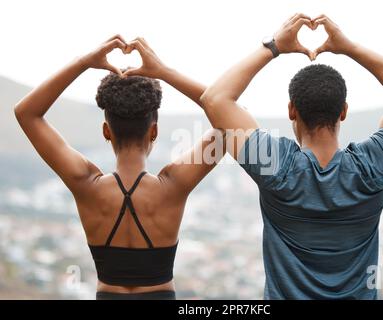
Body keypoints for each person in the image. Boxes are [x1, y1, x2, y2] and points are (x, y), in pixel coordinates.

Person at [198, 13, 383, 299]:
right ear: (343, 111)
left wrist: (274, 47)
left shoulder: (276, 167)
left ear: (291, 110)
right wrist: (348, 47)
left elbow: (215, 98)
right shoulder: (372, 168)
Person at [14, 35, 225, 300]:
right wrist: (164, 72)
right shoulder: (174, 185)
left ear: (106, 131)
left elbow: (27, 113)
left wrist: (84, 62)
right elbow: (230, 118)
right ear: (154, 131)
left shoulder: (84, 182)